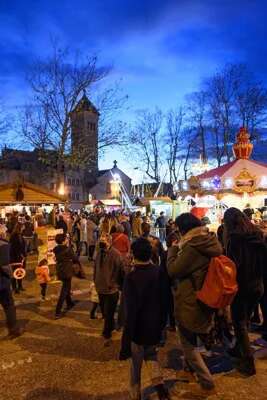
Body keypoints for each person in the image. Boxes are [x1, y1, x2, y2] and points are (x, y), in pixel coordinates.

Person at [167, 213, 222, 396]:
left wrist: (172, 251)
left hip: (191, 300)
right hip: (202, 297)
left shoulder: (193, 247)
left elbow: (174, 270)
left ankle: (207, 382)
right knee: (190, 336)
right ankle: (188, 372)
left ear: (184, 229)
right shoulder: (206, 240)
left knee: (187, 344)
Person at [120, 237, 170, 400]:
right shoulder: (159, 272)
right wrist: (162, 324)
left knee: (136, 364)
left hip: (138, 328)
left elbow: (130, 310)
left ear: (134, 254)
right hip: (155, 324)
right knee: (151, 356)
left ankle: (135, 394)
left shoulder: (132, 278)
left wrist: (126, 337)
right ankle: (160, 387)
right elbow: (166, 300)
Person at [224, 207, 266, 376]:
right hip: (258, 285)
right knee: (245, 319)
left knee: (239, 322)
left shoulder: (235, 239)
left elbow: (234, 265)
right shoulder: (257, 235)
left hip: (242, 286)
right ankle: (236, 347)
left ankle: (248, 363)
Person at [94, 234, 123, 345]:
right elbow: (96, 268)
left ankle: (107, 334)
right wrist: (95, 281)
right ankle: (110, 327)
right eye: (100, 240)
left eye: (103, 241)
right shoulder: (99, 252)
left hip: (111, 289)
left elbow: (120, 271)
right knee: (105, 311)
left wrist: (116, 284)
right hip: (100, 287)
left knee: (109, 312)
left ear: (109, 242)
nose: (101, 243)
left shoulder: (116, 255)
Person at [0, 226, 22, 339]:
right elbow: (4, 265)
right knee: (9, 305)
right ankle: (14, 329)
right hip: (2, 281)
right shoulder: (3, 245)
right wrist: (10, 275)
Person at [53, 233, 78, 319]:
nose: (67, 239)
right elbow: (75, 258)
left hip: (60, 270)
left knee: (67, 286)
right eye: (66, 238)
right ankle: (58, 311)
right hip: (67, 271)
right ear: (63, 241)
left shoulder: (55, 249)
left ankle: (69, 303)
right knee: (64, 290)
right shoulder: (68, 249)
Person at [9, 223, 26, 294]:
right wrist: (20, 254)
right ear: (19, 227)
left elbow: (22, 246)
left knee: (20, 271)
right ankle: (14, 288)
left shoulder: (20, 235)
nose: (23, 228)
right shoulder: (14, 236)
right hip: (15, 258)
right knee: (14, 272)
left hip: (21, 257)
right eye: (22, 227)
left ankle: (20, 286)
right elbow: (13, 248)